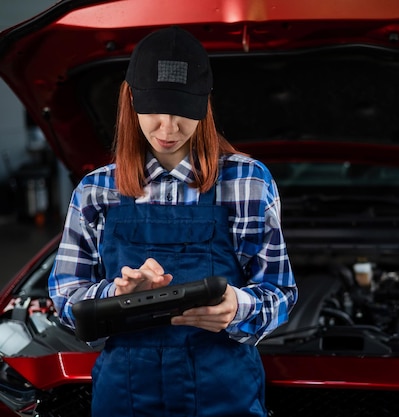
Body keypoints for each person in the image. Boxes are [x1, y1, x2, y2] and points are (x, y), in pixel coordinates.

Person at [48, 26, 297, 417]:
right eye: (154, 109)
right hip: (124, 396)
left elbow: (280, 292)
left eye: (183, 111)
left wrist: (238, 306)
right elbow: (64, 297)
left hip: (223, 393)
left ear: (205, 103)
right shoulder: (95, 191)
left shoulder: (246, 182)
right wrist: (114, 296)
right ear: (131, 99)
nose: (168, 128)